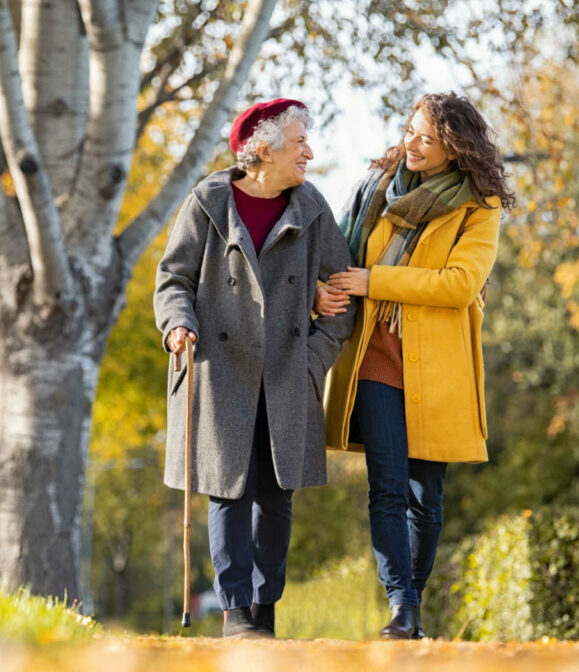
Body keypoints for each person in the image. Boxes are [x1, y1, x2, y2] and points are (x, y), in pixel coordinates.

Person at [154, 99, 357, 639]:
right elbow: (174, 279)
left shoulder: (312, 207)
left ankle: (266, 610)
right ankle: (236, 611)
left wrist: (314, 359)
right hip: (220, 370)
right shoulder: (208, 202)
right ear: (262, 151)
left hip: (288, 372)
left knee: (276, 494)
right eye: (299, 143)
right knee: (229, 490)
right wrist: (177, 323)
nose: (309, 153)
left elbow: (343, 294)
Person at [315, 92, 515, 639]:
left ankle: (413, 605)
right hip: (376, 357)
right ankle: (401, 608)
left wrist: (375, 281)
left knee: (426, 497)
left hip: (438, 370)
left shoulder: (479, 206)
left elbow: (458, 284)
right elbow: (336, 254)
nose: (412, 145)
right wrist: (322, 289)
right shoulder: (376, 189)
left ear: (455, 149)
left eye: (427, 139)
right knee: (387, 486)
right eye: (410, 131)